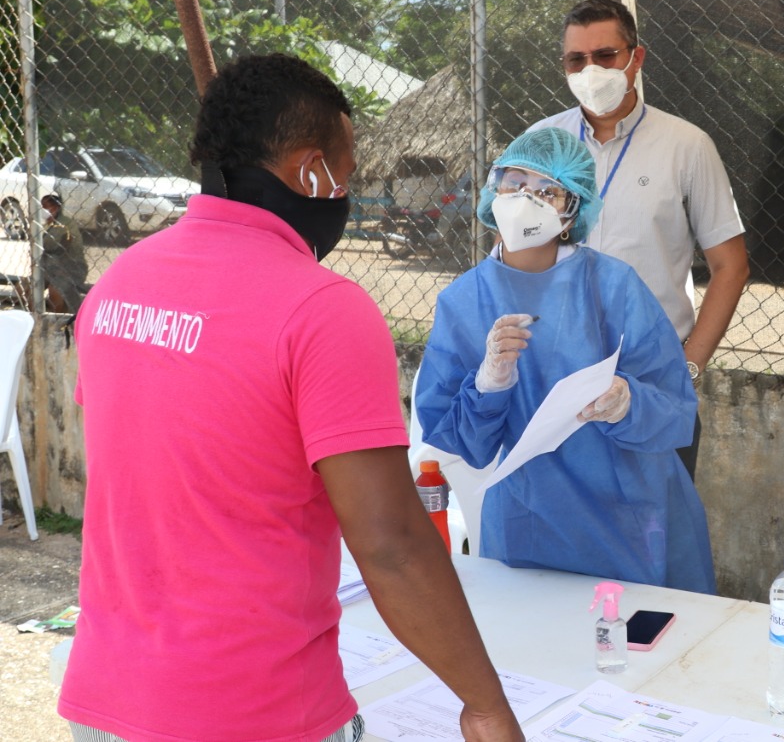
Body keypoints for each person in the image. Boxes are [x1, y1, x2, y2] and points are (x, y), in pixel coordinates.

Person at [59, 54, 523, 742]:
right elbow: (392, 542)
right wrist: (484, 704)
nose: (348, 189)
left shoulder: (119, 284)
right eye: (348, 170)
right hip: (254, 713)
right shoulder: (322, 310)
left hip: (105, 701)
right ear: (312, 171)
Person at [415, 127, 716, 594]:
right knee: (533, 649)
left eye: (547, 192)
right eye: (514, 183)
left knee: (638, 649)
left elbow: (675, 407)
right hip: (526, 517)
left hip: (628, 515)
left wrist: (627, 401)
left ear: (573, 209)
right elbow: (459, 441)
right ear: (493, 189)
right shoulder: (463, 301)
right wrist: (488, 386)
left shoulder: (612, 286)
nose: (525, 200)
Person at [528, 0, 750, 481]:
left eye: (605, 56)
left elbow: (731, 267)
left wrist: (687, 371)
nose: (590, 70)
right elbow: (512, 261)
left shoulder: (687, 146)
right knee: (561, 544)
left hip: (653, 384)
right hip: (553, 379)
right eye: (576, 60)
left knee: (657, 538)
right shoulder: (539, 146)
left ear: (636, 58)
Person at [39, 193, 89, 313]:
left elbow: (60, 248)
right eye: (42, 206)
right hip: (49, 267)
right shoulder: (45, 225)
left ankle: (59, 322)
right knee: (25, 287)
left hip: (70, 268)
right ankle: (34, 319)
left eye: (47, 207)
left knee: (55, 289)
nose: (44, 210)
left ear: (56, 208)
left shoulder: (66, 224)